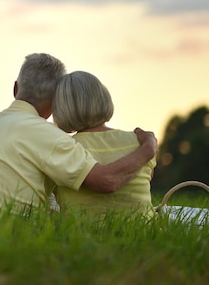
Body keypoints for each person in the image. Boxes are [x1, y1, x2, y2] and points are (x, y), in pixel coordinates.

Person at [0, 53, 157, 221]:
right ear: (56, 101)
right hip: (15, 238)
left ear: (16, 88)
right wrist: (148, 149)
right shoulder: (47, 135)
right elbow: (107, 181)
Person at [52, 70, 157, 218]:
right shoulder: (141, 141)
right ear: (103, 98)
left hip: (81, 238)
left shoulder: (62, 149)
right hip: (146, 234)